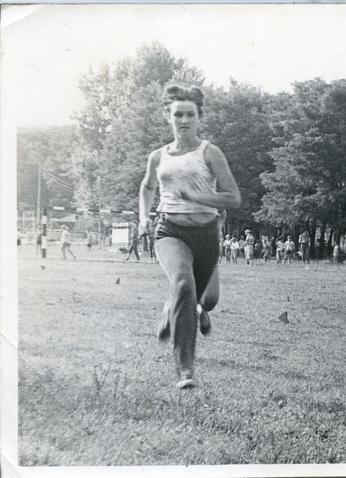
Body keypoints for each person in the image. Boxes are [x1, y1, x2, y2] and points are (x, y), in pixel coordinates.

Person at [138, 84, 241, 389]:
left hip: (206, 234)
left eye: (190, 115)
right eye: (177, 114)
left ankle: (174, 309)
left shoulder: (210, 153)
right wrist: (144, 216)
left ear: (199, 117)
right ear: (167, 116)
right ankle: (185, 370)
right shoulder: (158, 156)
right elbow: (147, 187)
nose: (183, 120)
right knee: (183, 283)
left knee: (205, 300)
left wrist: (200, 196)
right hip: (170, 231)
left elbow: (234, 198)